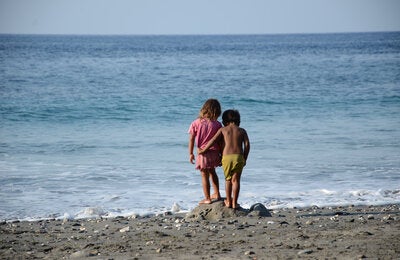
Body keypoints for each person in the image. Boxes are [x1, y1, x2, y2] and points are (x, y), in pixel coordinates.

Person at [198, 109, 250, 209]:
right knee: (236, 180)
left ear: (225, 121)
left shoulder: (223, 130)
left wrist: (203, 150)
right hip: (238, 157)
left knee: (228, 179)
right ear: (238, 120)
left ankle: (228, 201)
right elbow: (247, 145)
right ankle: (235, 202)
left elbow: (213, 141)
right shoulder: (242, 130)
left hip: (226, 158)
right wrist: (245, 157)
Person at [188, 99, 223, 204]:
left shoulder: (196, 123)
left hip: (202, 153)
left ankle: (207, 198)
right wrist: (221, 154)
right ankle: (217, 193)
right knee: (213, 172)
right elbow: (220, 141)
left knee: (204, 175)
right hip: (215, 152)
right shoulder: (217, 124)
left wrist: (190, 153)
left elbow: (191, 138)